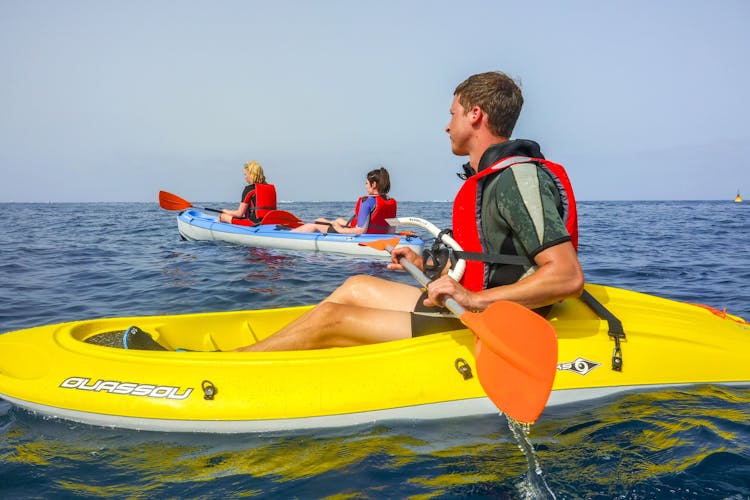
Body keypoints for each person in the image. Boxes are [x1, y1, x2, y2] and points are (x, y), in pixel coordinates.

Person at [237, 71, 584, 352]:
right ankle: (278, 350)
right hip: (471, 306)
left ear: (475, 114)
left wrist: (474, 299)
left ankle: (239, 366)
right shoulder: (490, 179)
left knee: (331, 317)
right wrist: (428, 265)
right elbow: (490, 262)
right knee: (356, 285)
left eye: (453, 114)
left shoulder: (518, 179)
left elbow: (566, 276)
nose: (447, 126)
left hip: (495, 320)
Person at [292, 167, 397, 234]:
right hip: (376, 233)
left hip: (362, 235)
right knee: (324, 220)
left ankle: (287, 234)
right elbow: (391, 230)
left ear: (373, 184)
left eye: (366, 183)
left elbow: (361, 230)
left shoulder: (367, 201)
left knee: (313, 226)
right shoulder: (390, 201)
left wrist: (340, 229)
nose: (365, 186)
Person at [218, 161, 277, 225]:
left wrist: (226, 211)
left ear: (251, 175)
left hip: (254, 223)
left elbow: (239, 214)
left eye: (246, 174)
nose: (245, 177)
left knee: (223, 216)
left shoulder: (249, 189)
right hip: (270, 222)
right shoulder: (270, 188)